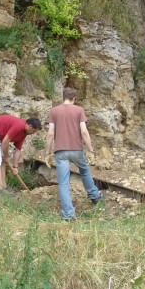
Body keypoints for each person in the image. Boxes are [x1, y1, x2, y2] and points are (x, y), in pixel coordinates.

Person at [44, 87, 103, 221]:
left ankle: (68, 215)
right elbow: (84, 131)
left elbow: (50, 134)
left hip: (61, 152)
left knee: (63, 183)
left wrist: (47, 153)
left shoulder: (54, 111)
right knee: (85, 171)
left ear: (63, 97)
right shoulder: (79, 110)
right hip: (77, 150)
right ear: (74, 98)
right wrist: (90, 150)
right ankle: (95, 196)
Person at [0, 115, 42, 190]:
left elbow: (18, 149)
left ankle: (3, 186)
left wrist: (15, 167)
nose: (33, 133)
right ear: (30, 126)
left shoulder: (24, 133)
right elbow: (5, 142)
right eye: (34, 131)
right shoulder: (19, 126)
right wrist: (6, 157)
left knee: (3, 161)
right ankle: (0, 189)